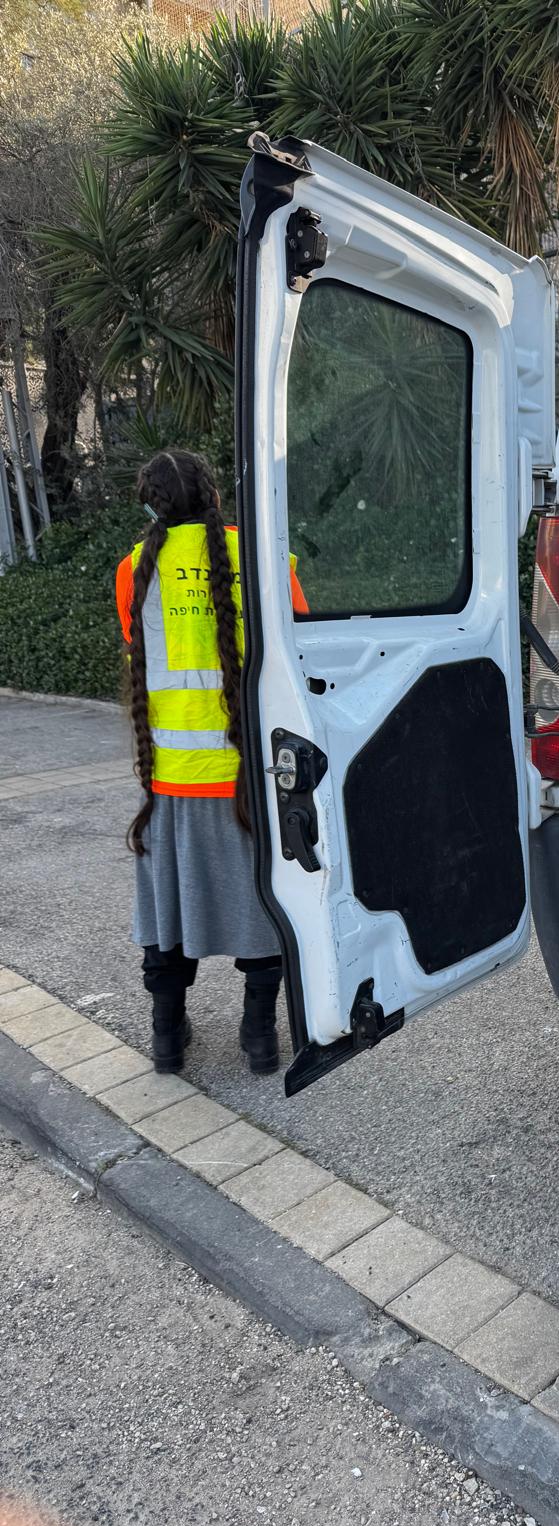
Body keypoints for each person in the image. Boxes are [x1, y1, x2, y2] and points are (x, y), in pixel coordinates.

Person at [114, 449, 307, 1075]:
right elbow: (305, 652)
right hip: (253, 785)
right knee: (263, 909)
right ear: (214, 494)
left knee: (166, 916)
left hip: (169, 782)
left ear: (152, 503)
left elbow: (136, 647)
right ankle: (259, 1039)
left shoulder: (134, 570)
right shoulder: (269, 560)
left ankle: (167, 1040)